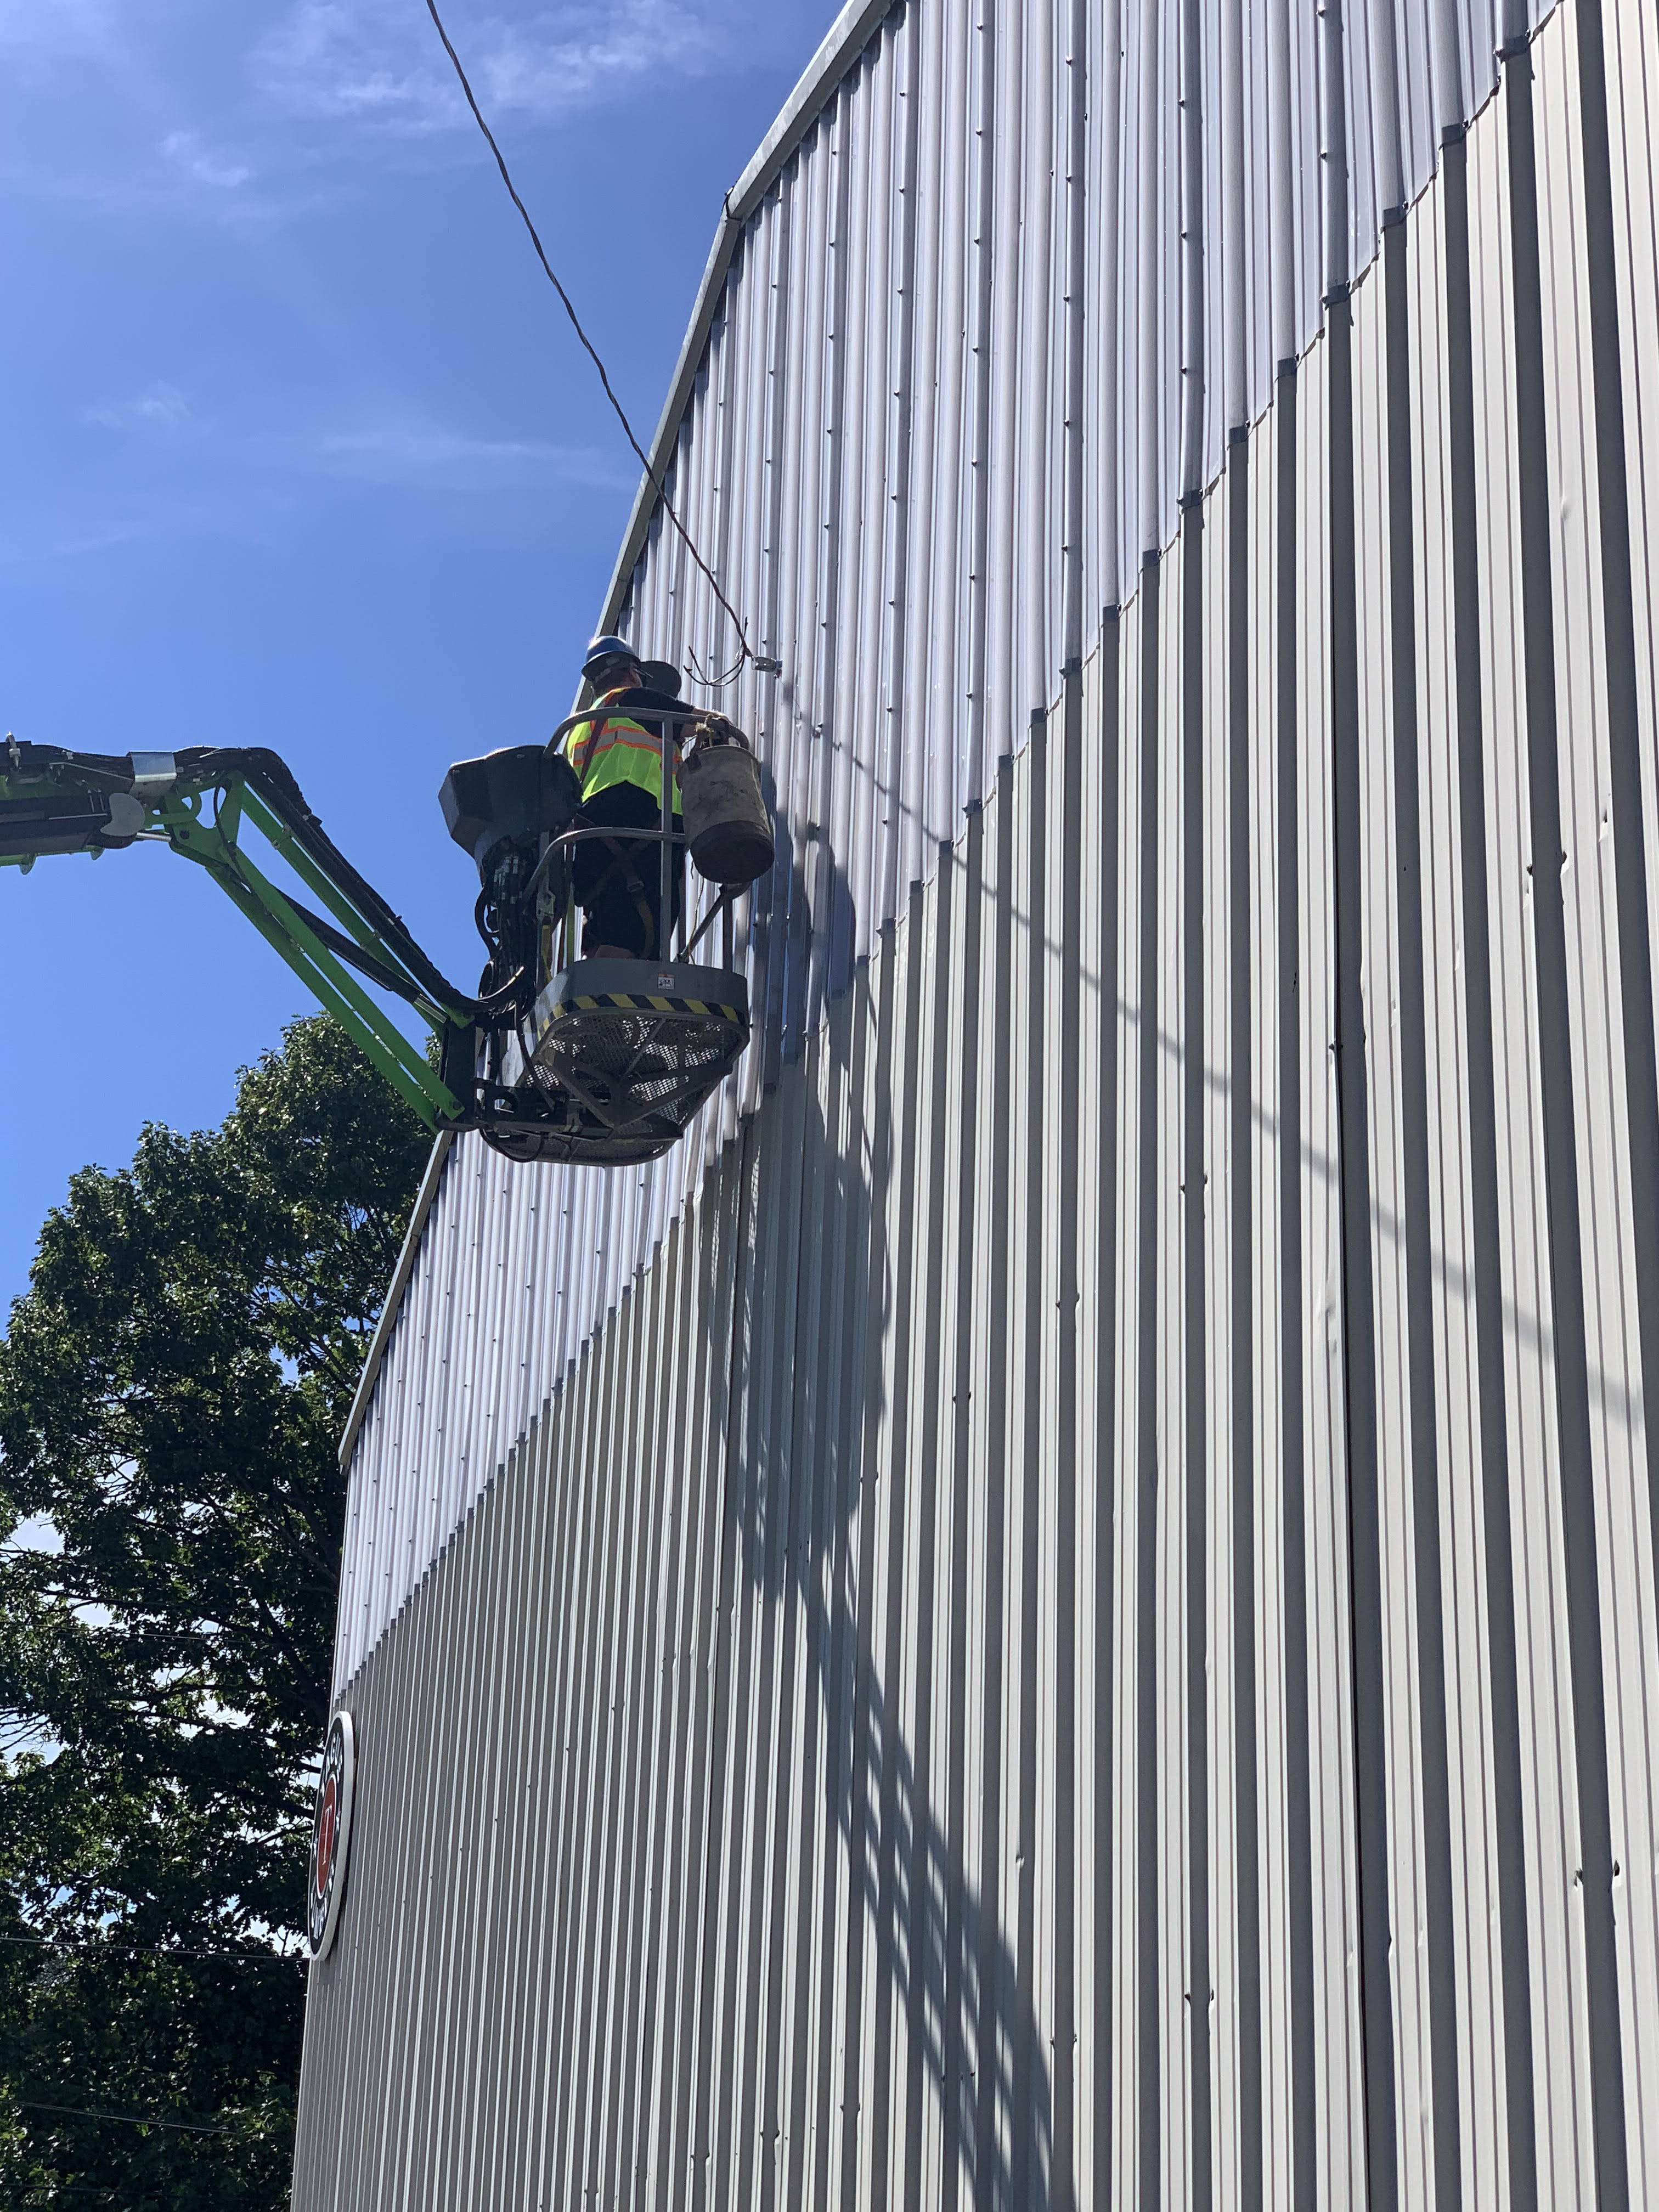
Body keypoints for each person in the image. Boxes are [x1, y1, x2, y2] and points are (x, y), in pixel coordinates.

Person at [558, 635, 686, 961]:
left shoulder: (578, 730)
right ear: (632, 672)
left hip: (590, 836)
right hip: (640, 823)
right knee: (637, 928)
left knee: (607, 923)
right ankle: (608, 992)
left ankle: (595, 987)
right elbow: (703, 724)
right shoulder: (632, 700)